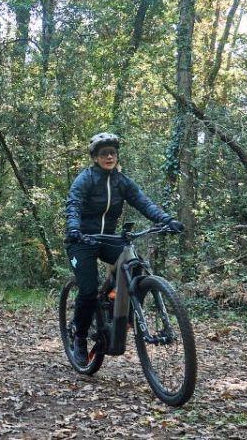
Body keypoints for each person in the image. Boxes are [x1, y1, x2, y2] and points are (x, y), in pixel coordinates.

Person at [64, 132, 183, 364]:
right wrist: (74, 228)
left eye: (112, 153)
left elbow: (143, 202)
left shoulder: (121, 182)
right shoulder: (85, 179)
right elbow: (74, 204)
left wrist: (167, 220)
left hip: (108, 237)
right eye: (104, 154)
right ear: (95, 158)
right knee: (88, 290)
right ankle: (79, 337)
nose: (109, 157)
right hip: (82, 240)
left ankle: (118, 309)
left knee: (133, 265)